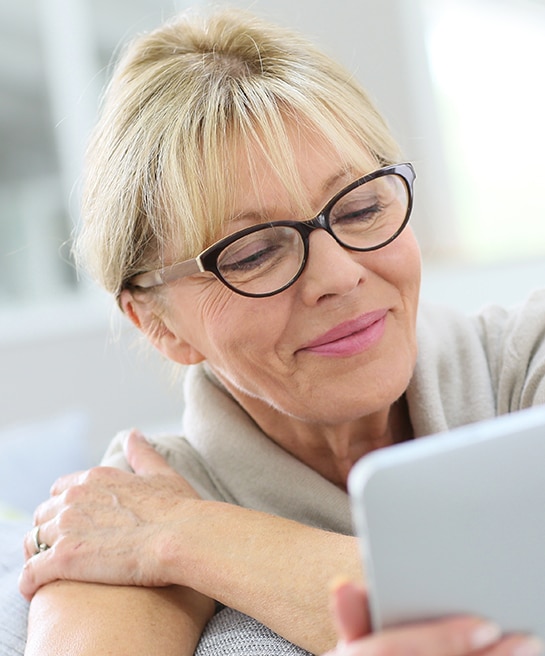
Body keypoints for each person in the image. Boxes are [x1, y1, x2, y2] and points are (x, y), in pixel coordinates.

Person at [15, 6, 545, 656]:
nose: (338, 274)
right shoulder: (119, 512)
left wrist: (190, 535)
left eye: (360, 206)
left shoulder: (528, 359)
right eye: (253, 252)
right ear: (157, 324)